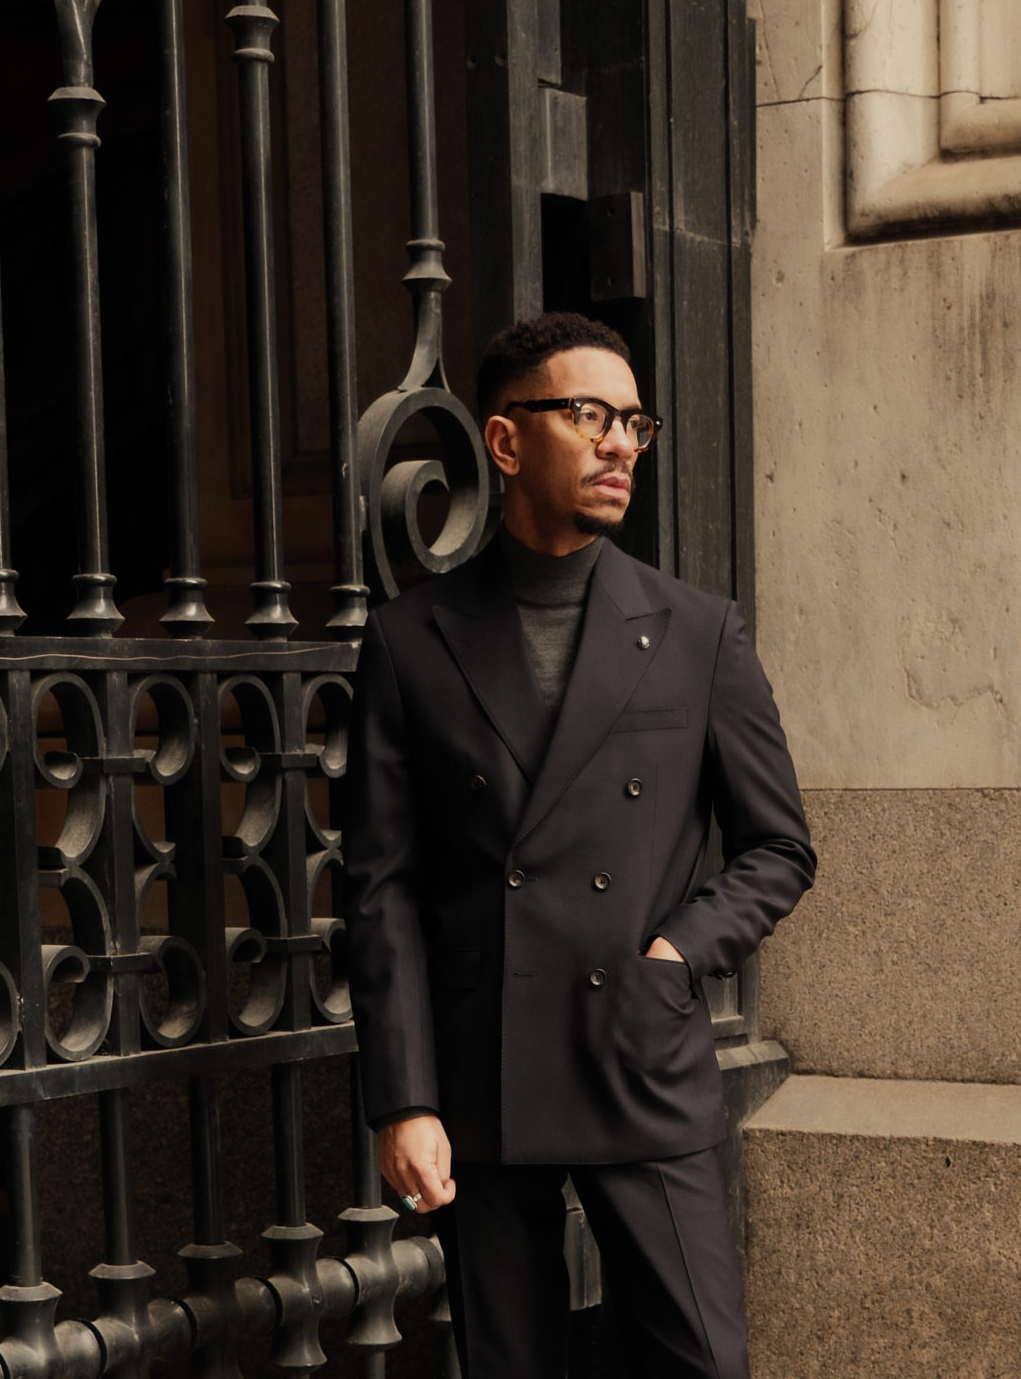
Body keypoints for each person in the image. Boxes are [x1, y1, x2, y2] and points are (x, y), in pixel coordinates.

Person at [341, 311, 815, 1378]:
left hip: (636, 1049)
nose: (619, 445)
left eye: (633, 423)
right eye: (589, 415)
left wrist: (675, 956)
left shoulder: (698, 631)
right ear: (505, 441)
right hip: (486, 1069)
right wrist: (405, 1099)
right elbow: (381, 891)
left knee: (703, 1362)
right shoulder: (411, 641)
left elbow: (777, 847)